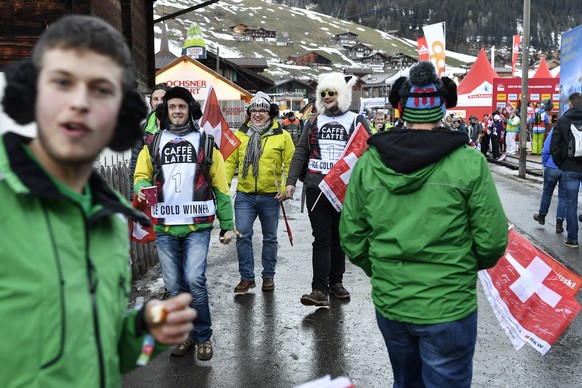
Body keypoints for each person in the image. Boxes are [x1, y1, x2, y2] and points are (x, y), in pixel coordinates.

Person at [0, 15, 196, 387]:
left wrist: (144, 331)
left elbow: (94, 352)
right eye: (62, 83)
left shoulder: (106, 221)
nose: (80, 103)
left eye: (101, 89)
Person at [339, 61, 508, 388]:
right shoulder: (469, 162)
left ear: (399, 106)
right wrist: (460, 268)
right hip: (449, 304)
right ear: (444, 105)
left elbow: (351, 236)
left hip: (393, 303)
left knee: (405, 382)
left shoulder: (370, 162)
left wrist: (382, 269)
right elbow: (492, 242)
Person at [134, 86, 235, 359]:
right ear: (165, 112)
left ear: (190, 109)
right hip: (166, 227)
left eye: (182, 106)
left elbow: (221, 187)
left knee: (194, 280)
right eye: (172, 107)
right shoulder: (153, 143)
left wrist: (227, 225)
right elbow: (141, 175)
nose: (177, 111)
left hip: (197, 226)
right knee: (175, 287)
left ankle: (203, 337)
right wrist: (141, 187)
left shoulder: (204, 142)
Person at [284, 72, 370, 307]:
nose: (328, 97)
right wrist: (292, 181)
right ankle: (319, 289)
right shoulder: (313, 120)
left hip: (345, 190)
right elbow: (301, 151)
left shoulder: (356, 121)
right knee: (321, 238)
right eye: (324, 93)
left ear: (341, 94)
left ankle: (336, 282)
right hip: (317, 189)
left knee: (339, 238)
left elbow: (369, 152)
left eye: (332, 92)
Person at [225, 92, 295, 293]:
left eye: (262, 110)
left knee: (270, 238)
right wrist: (225, 185)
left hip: (271, 196)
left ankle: (268, 277)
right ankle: (247, 278)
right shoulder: (239, 135)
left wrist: (285, 188)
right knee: (243, 235)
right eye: (253, 110)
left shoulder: (282, 136)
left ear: (270, 113)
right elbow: (230, 162)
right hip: (245, 195)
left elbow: (290, 162)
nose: (257, 114)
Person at [550, 92, 582, 248]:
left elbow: (554, 146)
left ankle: (573, 239)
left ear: (570, 104)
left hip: (569, 168)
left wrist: (560, 163)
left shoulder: (562, 121)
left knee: (571, 203)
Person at [129, 83, 170, 196]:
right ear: (151, 102)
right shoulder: (142, 131)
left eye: (163, 98)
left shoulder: (181, 128)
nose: (159, 102)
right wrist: (134, 196)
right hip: (151, 192)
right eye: (155, 99)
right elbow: (135, 164)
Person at [533, 128, 566, 233]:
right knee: (563, 197)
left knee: (547, 192)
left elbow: (546, 148)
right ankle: (559, 224)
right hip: (567, 167)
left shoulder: (557, 128)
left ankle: (541, 216)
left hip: (552, 165)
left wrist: (544, 163)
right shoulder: (576, 127)